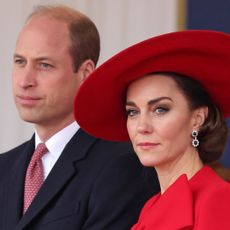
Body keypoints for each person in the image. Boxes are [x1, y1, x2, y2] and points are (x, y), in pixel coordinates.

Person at [0, 5, 160, 230]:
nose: (25, 80)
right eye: (20, 62)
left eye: (44, 65)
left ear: (85, 73)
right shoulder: (4, 167)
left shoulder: (122, 166)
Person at [74, 30, 230, 229]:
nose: (142, 126)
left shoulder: (219, 199)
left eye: (160, 109)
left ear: (197, 118)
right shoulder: (151, 207)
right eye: (132, 112)